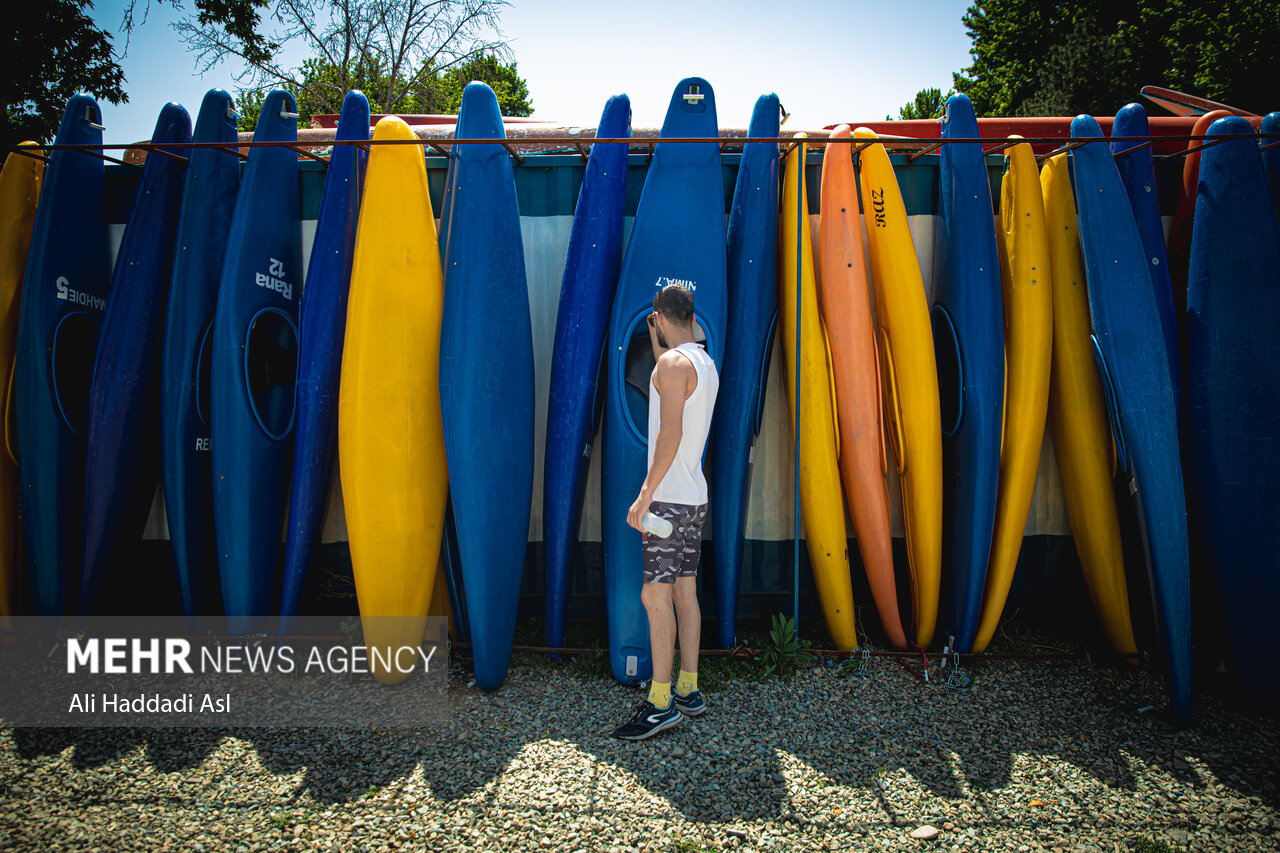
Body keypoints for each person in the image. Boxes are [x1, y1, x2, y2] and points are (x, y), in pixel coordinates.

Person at [612, 283, 719, 740]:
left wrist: (644, 493)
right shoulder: (703, 363)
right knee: (685, 593)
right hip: (695, 499)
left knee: (656, 596)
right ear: (692, 317)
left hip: (669, 500)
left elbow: (669, 434)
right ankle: (689, 689)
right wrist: (662, 334)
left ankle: (660, 703)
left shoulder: (671, 365)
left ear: (656, 316)